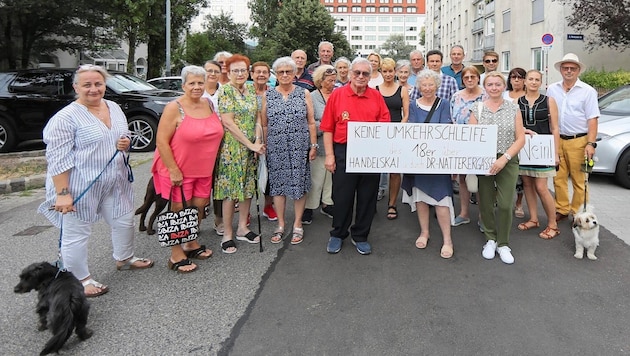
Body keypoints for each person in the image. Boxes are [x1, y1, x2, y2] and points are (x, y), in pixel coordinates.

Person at [38, 65, 153, 296]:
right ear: (76, 87)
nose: (93, 89)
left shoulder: (113, 107)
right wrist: (63, 194)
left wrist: (125, 143)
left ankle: (125, 258)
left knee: (124, 220)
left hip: (114, 180)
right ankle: (80, 279)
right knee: (76, 233)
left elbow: (122, 135)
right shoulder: (65, 118)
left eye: (98, 84)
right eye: (87, 85)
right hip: (79, 184)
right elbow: (57, 159)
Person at [152, 65, 223, 273]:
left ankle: (190, 243)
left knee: (199, 207)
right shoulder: (174, 107)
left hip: (204, 169)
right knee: (179, 212)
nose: (197, 87)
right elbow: (162, 142)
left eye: (200, 82)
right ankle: (175, 255)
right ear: (183, 85)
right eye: (192, 83)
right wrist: (173, 169)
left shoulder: (209, 104)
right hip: (179, 170)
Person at [321, 57, 391, 255]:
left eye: (365, 73)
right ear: (350, 74)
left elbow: (385, 126)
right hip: (344, 151)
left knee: (367, 197)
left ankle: (360, 235)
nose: (361, 76)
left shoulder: (376, 97)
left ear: (370, 76)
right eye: (357, 73)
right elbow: (328, 128)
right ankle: (338, 233)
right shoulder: (337, 95)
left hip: (370, 153)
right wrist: (330, 156)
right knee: (342, 197)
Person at [469, 71, 526, 265]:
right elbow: (471, 136)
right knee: (485, 202)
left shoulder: (513, 109)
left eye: (497, 84)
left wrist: (505, 158)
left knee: (504, 204)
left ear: (504, 86)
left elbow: (520, 138)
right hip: (484, 160)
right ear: (485, 87)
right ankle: (490, 239)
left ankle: (503, 242)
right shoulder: (477, 109)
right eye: (490, 84)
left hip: (507, 159)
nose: (494, 88)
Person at [214, 54, 266, 254]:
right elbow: (228, 123)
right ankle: (227, 233)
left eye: (243, 70)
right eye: (235, 70)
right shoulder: (226, 91)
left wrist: (258, 141)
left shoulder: (252, 89)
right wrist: (249, 145)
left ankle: (242, 227)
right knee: (230, 191)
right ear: (228, 72)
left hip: (251, 146)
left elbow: (258, 119)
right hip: (233, 149)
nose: (240, 74)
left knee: (247, 189)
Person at [263, 57, 316, 245]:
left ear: (295, 74)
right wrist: (264, 146)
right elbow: (264, 125)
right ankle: (280, 224)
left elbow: (310, 122)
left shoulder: (304, 93)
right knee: (278, 186)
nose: (284, 75)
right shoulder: (268, 95)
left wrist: (313, 145)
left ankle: (298, 224)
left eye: (288, 71)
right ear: (276, 75)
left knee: (298, 185)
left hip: (299, 146)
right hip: (276, 147)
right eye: (280, 72)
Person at [402, 69, 455, 259]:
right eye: (423, 85)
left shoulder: (444, 103)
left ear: (437, 86)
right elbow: (411, 128)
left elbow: (445, 129)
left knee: (441, 201)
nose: (427, 88)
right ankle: (424, 232)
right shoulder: (414, 105)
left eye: (430, 84)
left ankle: (447, 240)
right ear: (419, 87)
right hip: (418, 160)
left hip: (437, 161)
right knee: (421, 199)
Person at [547, 53, 599, 222]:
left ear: (578, 71)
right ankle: (561, 208)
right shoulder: (552, 89)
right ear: (561, 70)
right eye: (565, 68)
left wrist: (590, 143)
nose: (569, 71)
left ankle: (578, 213)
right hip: (557, 139)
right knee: (558, 178)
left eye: (572, 68)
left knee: (580, 180)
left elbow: (592, 119)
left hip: (579, 140)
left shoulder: (588, 91)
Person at [516, 69, 561, 239]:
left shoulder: (549, 101)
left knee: (541, 187)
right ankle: (534, 218)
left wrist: (555, 153)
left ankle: (553, 224)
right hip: (525, 148)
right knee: (527, 183)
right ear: (525, 82)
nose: (534, 82)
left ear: (540, 83)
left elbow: (555, 128)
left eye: (537, 80)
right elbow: (516, 126)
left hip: (543, 149)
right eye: (531, 79)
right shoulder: (517, 102)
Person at [449, 66, 486, 226]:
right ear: (462, 80)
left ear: (478, 78)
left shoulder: (486, 95)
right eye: (466, 77)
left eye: (473, 77)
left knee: (482, 180)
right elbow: (451, 118)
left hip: (481, 142)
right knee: (462, 177)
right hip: (461, 143)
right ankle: (464, 213)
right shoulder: (456, 96)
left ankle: (483, 217)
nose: (470, 80)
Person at [303, 65, 337, 225]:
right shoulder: (312, 96)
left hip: (336, 143)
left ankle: (327, 204)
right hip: (318, 142)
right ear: (321, 81)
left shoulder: (337, 94)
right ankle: (309, 207)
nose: (333, 83)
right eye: (330, 80)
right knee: (316, 176)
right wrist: (327, 124)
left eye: (334, 80)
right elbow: (309, 121)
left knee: (331, 178)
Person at [377, 58, 409, 220]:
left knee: (394, 172)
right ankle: (371, 202)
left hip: (396, 133)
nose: (388, 74)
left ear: (395, 72)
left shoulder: (402, 90)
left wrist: (398, 130)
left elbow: (406, 115)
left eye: (391, 71)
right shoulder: (375, 90)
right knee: (375, 170)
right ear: (381, 72)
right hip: (379, 134)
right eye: (385, 71)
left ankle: (392, 204)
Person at [251, 61, 279, 222]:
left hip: (270, 137)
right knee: (249, 177)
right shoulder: (245, 92)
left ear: (269, 75)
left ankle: (269, 206)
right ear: (252, 74)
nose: (261, 75)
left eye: (265, 72)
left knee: (270, 176)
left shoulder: (273, 93)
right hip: (248, 138)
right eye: (258, 72)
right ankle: (245, 212)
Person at [203, 60, 226, 236]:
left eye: (215, 71)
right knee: (201, 185)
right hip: (200, 146)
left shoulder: (225, 92)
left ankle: (219, 220)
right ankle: (193, 222)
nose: (212, 74)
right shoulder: (196, 90)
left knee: (218, 184)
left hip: (221, 143)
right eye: (208, 71)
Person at [504, 67, 527, 219]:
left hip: (523, 137)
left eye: (519, 77)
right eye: (513, 77)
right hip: (504, 138)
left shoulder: (527, 96)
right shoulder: (503, 94)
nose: (516, 80)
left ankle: (518, 203)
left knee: (521, 174)